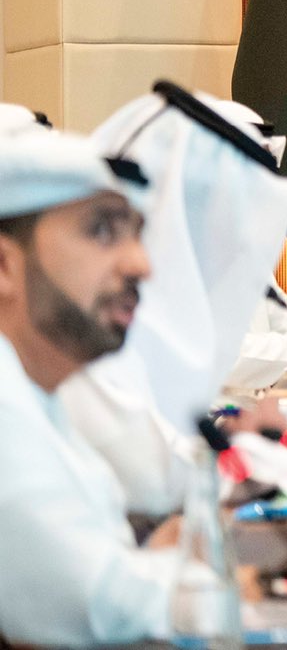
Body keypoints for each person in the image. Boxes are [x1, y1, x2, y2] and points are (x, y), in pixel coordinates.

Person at [0, 126, 210, 645]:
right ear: (4, 265)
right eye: (100, 232)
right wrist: (217, 571)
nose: (140, 264)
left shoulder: (39, 388)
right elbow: (103, 607)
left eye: (135, 233)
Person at [57, 88, 287, 516]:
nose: (136, 262)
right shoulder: (87, 342)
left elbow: (170, 454)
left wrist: (237, 445)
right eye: (106, 234)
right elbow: (155, 488)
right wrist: (245, 459)